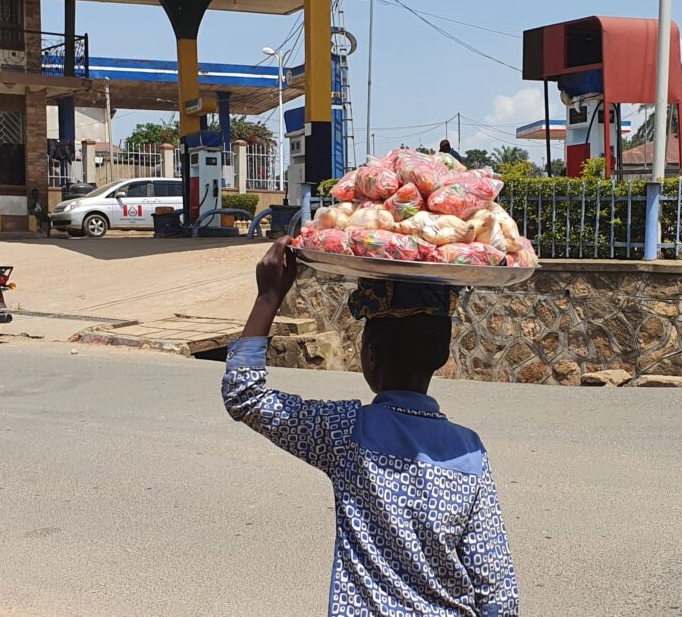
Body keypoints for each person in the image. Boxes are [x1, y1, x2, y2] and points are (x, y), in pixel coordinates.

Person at [221, 238, 519, 616]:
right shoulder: (469, 452)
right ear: (442, 356)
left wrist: (268, 297)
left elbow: (244, 394)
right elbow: (498, 595)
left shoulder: (346, 433)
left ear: (371, 355)